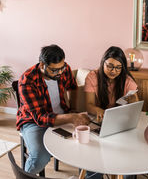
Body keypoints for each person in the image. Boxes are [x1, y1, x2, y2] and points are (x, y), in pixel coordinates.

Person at [16, 44, 90, 174]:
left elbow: (73, 87)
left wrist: (73, 109)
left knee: (89, 142)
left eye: (61, 68)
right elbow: (40, 118)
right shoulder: (27, 80)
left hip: (61, 116)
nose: (60, 73)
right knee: (40, 157)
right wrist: (72, 118)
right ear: (42, 65)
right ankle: (24, 176)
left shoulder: (64, 69)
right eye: (54, 70)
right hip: (33, 122)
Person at [84, 46, 138, 179]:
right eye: (110, 66)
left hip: (120, 121)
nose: (114, 71)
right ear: (103, 62)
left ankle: (127, 173)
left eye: (118, 68)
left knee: (128, 152)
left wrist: (132, 100)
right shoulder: (92, 77)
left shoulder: (127, 81)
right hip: (98, 119)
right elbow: (89, 105)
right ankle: (94, 174)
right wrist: (103, 113)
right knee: (92, 153)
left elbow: (135, 107)